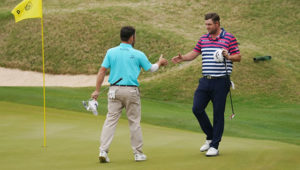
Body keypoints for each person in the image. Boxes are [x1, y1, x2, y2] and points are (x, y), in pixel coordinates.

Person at [91, 26, 168, 163]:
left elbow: (102, 71)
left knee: (110, 121)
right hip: (131, 91)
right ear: (132, 37)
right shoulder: (138, 53)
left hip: (114, 90)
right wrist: (160, 62)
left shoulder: (111, 52)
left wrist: (97, 90)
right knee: (134, 122)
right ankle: (138, 154)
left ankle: (103, 150)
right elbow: (151, 69)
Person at [172, 13, 241, 156]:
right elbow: (195, 53)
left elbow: (238, 57)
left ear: (217, 24)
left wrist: (228, 56)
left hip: (221, 81)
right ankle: (210, 137)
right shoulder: (203, 38)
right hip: (205, 80)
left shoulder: (229, 37)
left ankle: (215, 146)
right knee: (197, 109)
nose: (207, 27)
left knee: (218, 114)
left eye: (209, 24)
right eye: (206, 24)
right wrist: (183, 58)